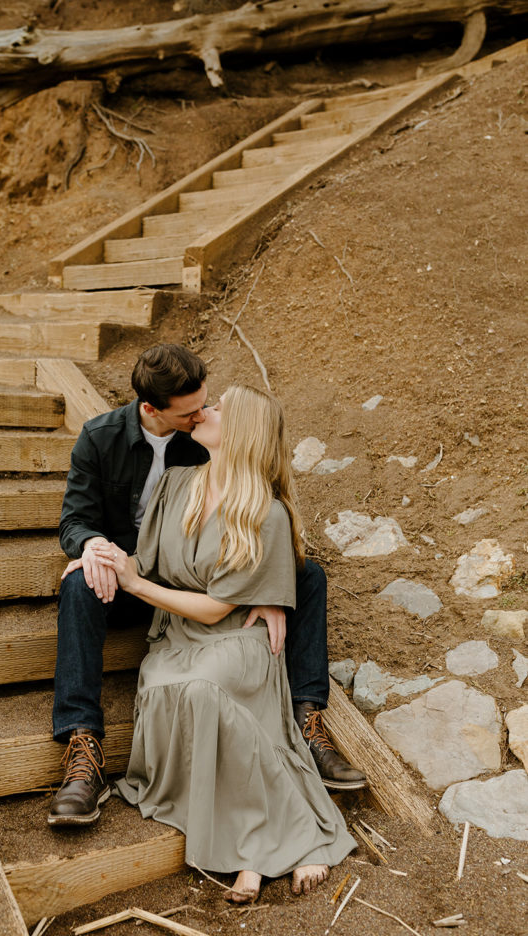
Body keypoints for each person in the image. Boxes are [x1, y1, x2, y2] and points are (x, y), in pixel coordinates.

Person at [49, 344, 365, 828]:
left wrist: (270, 588)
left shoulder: (202, 436)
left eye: (206, 404)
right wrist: (92, 546)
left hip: (201, 566)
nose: (201, 415)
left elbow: (259, 489)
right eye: (191, 410)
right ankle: (82, 748)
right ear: (151, 409)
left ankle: (308, 721)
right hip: (135, 564)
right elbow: (74, 519)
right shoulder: (100, 438)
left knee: (310, 577)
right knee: (77, 587)